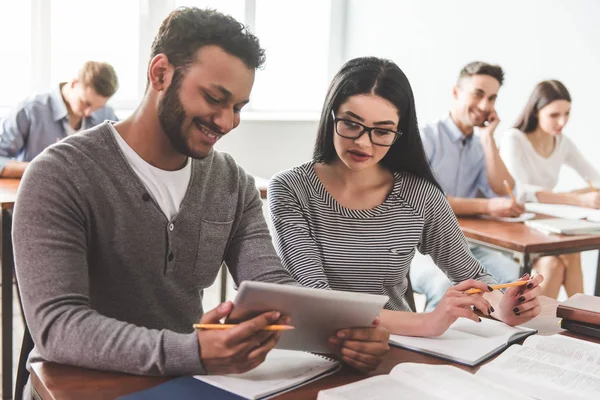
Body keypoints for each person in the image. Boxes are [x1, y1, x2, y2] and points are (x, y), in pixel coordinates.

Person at [13, 8, 389, 397]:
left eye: (239, 107)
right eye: (214, 98)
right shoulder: (60, 175)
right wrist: (193, 350)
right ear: (160, 74)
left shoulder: (232, 184)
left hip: (188, 383)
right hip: (76, 388)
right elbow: (58, 327)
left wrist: (343, 336)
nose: (227, 122)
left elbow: (270, 285)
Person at [268, 57, 544, 338]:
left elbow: (471, 275)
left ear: (399, 132)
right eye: (351, 124)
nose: (363, 142)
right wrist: (427, 322)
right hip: (323, 344)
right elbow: (317, 302)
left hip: (401, 346)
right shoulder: (291, 189)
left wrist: (503, 307)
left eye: (382, 131)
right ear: (331, 116)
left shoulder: (420, 195)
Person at [409, 61, 525, 310]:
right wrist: (490, 206)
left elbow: (504, 188)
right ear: (456, 92)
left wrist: (488, 138)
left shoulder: (481, 145)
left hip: (467, 245)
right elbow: (427, 202)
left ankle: (497, 344)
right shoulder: (426, 138)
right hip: (420, 248)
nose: (485, 106)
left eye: (492, 98)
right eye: (478, 94)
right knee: (445, 287)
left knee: (513, 277)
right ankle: (431, 345)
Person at [500, 80, 600, 298]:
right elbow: (523, 192)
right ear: (537, 111)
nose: (562, 121)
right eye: (554, 115)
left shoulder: (561, 142)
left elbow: (595, 177)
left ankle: (576, 325)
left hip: (546, 221)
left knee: (562, 260)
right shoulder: (514, 138)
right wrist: (579, 199)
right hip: (519, 224)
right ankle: (587, 323)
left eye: (567, 113)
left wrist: (586, 194)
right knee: (564, 257)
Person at [0, 60, 119, 178]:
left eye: (97, 107)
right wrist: (41, 168)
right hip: (39, 190)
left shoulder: (107, 115)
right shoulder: (30, 110)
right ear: (74, 83)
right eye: (85, 103)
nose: (88, 113)